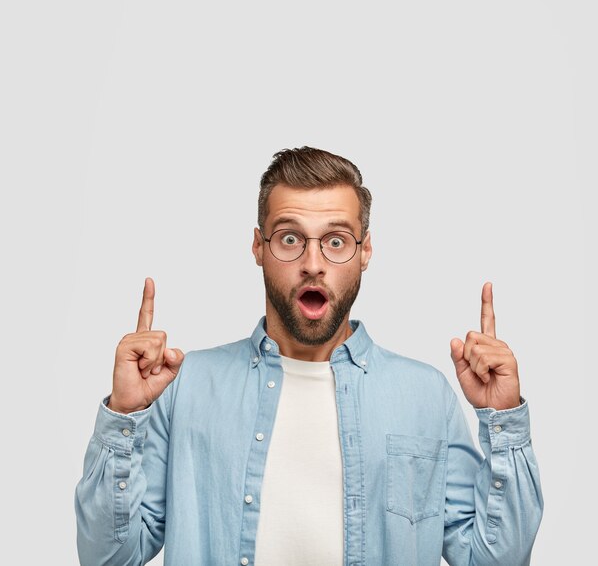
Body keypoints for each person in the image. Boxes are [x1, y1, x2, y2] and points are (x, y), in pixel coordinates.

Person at [75, 147, 543, 566]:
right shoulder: (188, 386)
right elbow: (107, 556)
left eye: (336, 240)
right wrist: (125, 414)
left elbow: (494, 560)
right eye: (290, 238)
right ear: (258, 246)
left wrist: (503, 420)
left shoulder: (425, 396)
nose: (314, 262)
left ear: (366, 252)